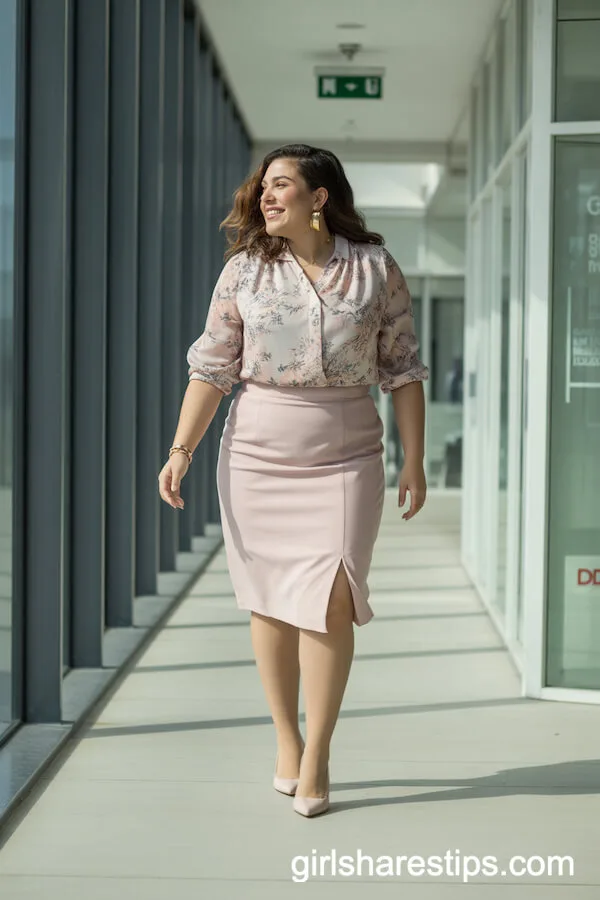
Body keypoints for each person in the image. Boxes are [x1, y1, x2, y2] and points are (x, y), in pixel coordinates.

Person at [158, 144, 429, 818]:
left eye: (281, 185)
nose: (265, 196)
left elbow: (403, 369)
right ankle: (287, 738)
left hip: (346, 454)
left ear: (320, 197)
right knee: (271, 602)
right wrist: (181, 448)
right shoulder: (244, 272)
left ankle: (319, 753)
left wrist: (416, 458)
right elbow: (212, 367)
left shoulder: (375, 268)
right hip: (255, 454)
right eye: (262, 186)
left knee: (334, 597)